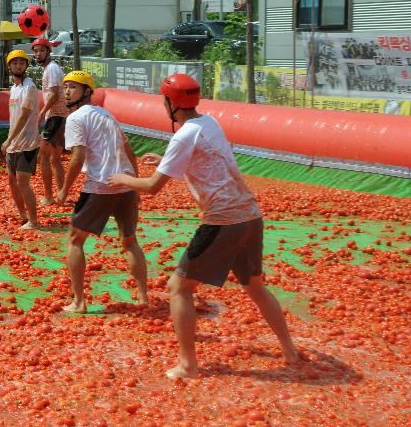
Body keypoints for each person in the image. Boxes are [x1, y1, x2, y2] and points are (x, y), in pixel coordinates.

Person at [108, 73, 299, 379]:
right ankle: (290, 351)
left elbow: (153, 186)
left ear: (170, 103)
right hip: (250, 215)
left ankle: (187, 365)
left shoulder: (183, 136)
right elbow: (206, 160)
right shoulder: (208, 123)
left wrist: (122, 179)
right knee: (255, 286)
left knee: (178, 288)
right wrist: (166, 158)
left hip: (223, 220)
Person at [55, 70, 148, 313]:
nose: (67, 92)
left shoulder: (76, 119)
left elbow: (78, 157)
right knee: (129, 240)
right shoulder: (107, 115)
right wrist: (134, 182)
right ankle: (143, 297)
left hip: (99, 185)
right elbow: (128, 148)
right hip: (125, 184)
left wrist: (65, 189)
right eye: (65, 87)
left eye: (73, 87)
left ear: (87, 91)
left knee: (75, 241)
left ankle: (79, 302)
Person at [1, 49, 41, 230]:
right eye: (15, 63)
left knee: (23, 182)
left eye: (22, 63)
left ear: (26, 66)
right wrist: (10, 141)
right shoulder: (14, 88)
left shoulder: (29, 88)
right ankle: (23, 215)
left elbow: (24, 116)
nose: (18, 66)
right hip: (14, 143)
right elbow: (14, 116)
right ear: (9, 66)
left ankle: (33, 221)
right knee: (12, 181)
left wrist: (9, 139)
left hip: (27, 143)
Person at [33, 38, 69, 205]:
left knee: (43, 157)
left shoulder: (52, 69)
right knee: (55, 159)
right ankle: (61, 195)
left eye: (41, 50)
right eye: (36, 51)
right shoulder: (51, 68)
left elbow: (54, 95)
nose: (38, 54)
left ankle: (49, 196)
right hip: (61, 117)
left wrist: (42, 112)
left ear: (48, 51)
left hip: (56, 117)